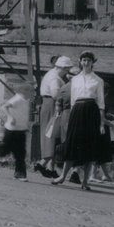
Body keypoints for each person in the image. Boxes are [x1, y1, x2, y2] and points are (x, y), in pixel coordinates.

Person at [52, 50, 105, 191]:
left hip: (92, 111)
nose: (86, 63)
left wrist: (101, 123)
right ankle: (63, 176)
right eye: (83, 60)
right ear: (80, 62)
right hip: (77, 111)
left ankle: (85, 182)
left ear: (93, 62)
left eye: (88, 60)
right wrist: (72, 117)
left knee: (90, 146)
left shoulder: (98, 80)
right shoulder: (75, 79)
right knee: (71, 143)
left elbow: (101, 103)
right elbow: (73, 100)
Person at [36, 56, 71, 178]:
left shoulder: (51, 74)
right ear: (62, 68)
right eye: (67, 69)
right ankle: (44, 163)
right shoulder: (54, 78)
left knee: (50, 134)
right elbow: (56, 94)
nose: (67, 72)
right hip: (52, 104)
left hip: (48, 104)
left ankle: (49, 167)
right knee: (52, 133)